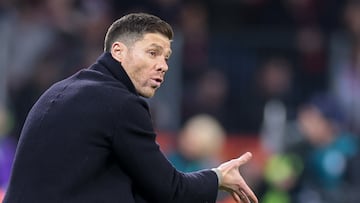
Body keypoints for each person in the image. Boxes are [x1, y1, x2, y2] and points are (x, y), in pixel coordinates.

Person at [4, 13, 258, 203]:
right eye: (152, 52)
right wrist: (217, 177)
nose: (163, 65)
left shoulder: (59, 91)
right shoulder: (121, 104)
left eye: (166, 57)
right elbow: (170, 190)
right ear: (118, 51)